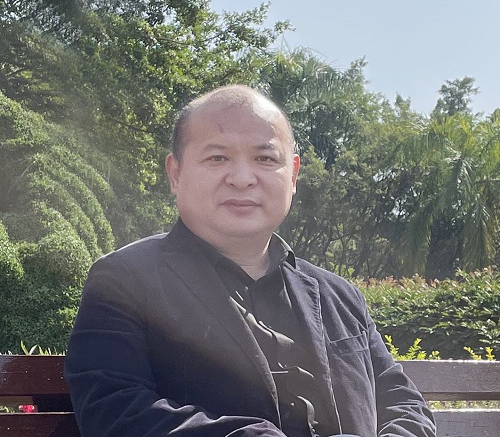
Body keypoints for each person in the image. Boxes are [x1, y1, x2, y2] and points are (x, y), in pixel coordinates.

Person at [65, 85, 436, 437]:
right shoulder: (125, 281)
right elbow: (115, 411)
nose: (242, 179)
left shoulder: (339, 296)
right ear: (176, 173)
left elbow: (405, 405)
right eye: (218, 158)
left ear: (293, 175)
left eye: (265, 158)